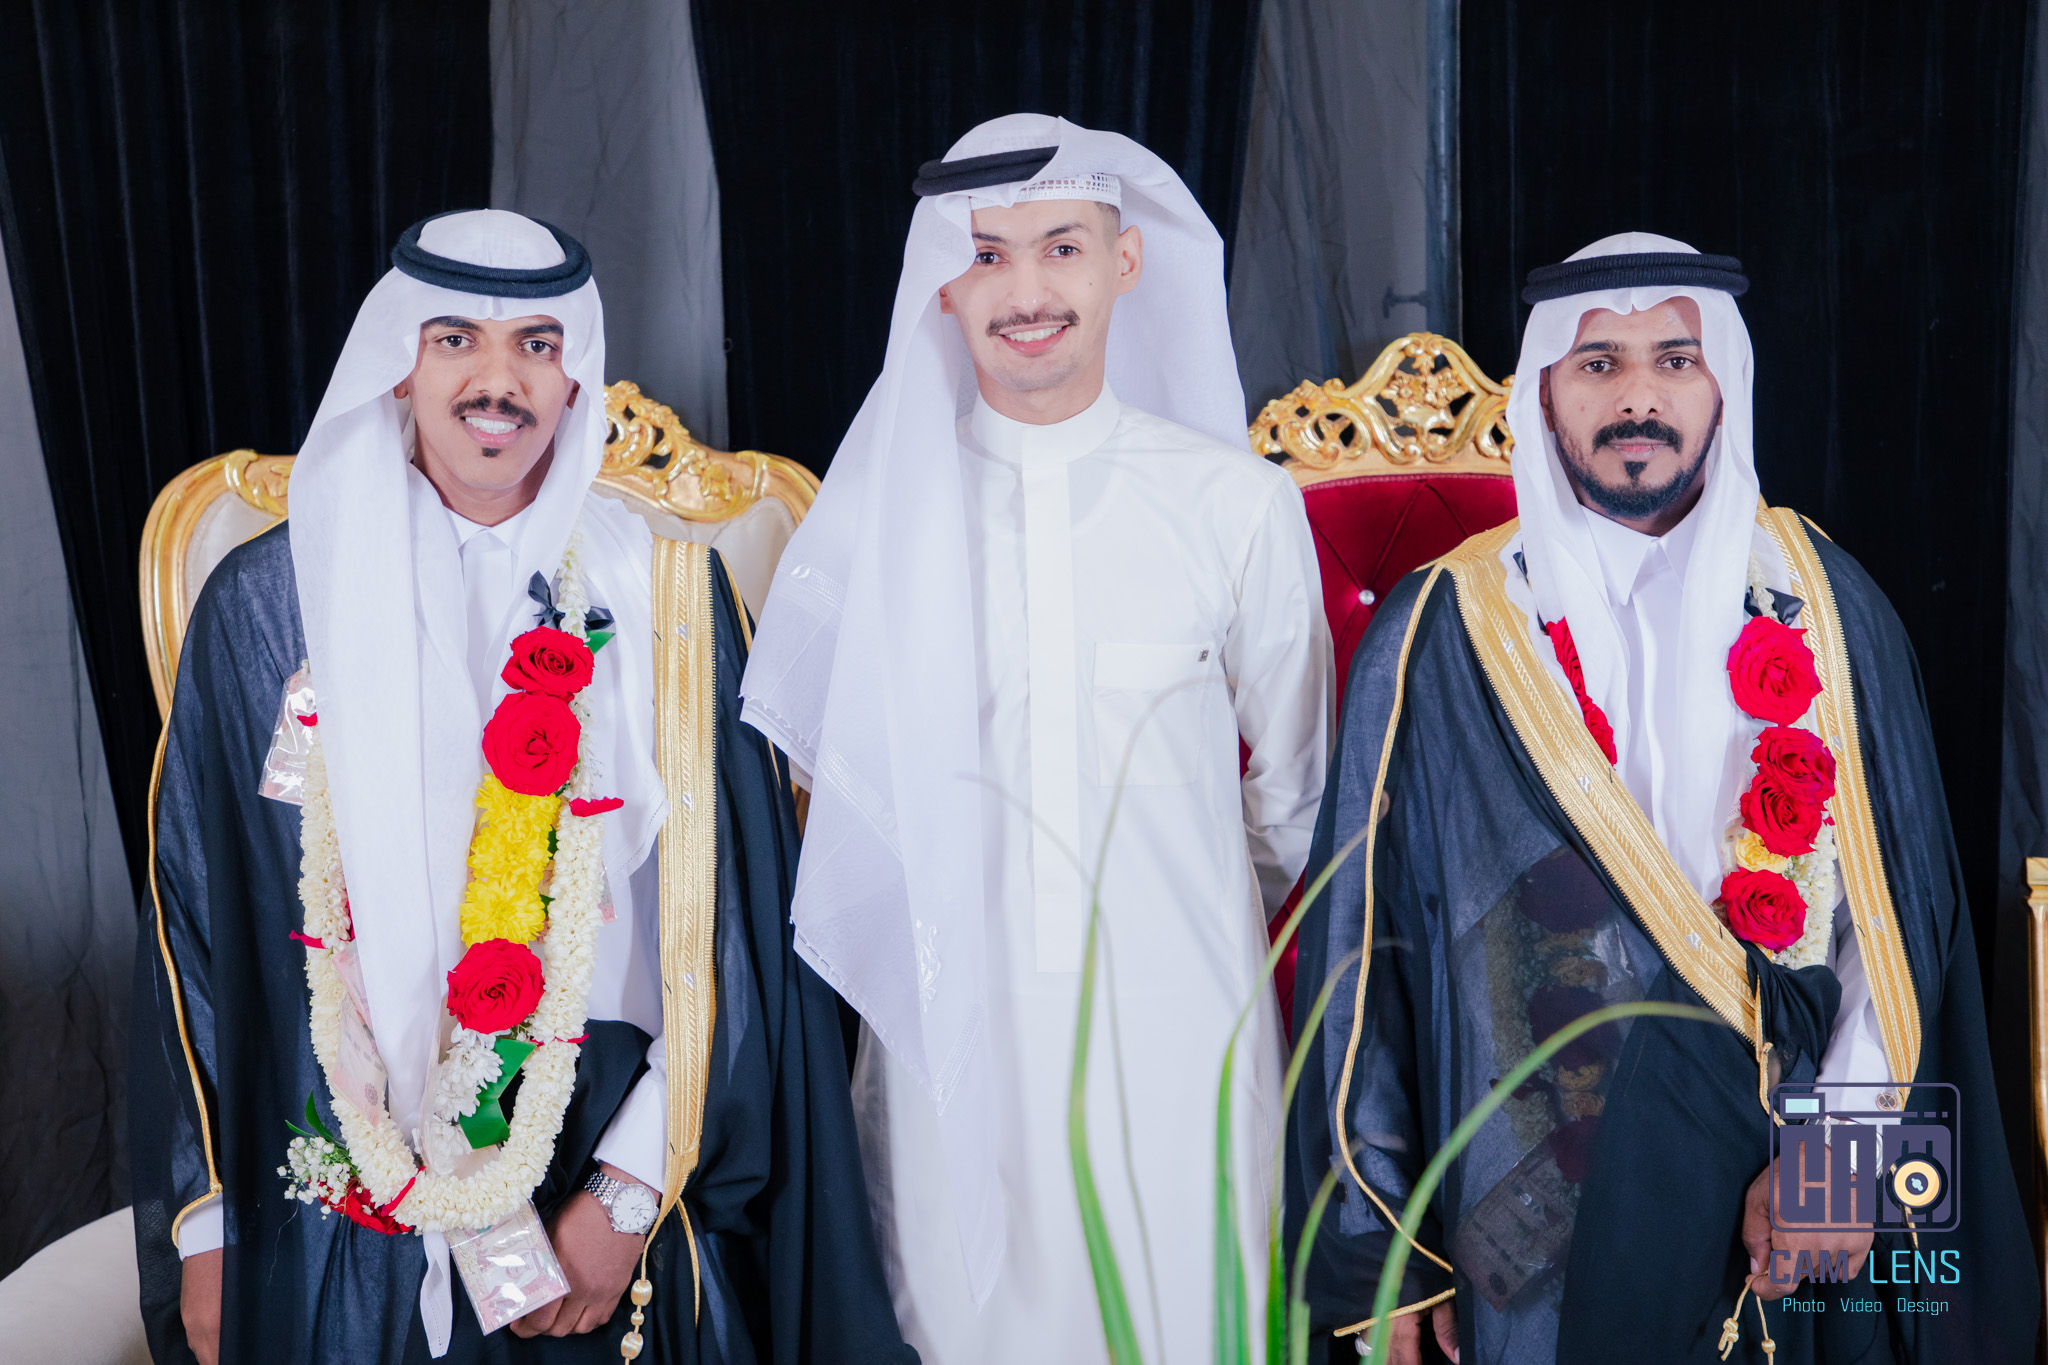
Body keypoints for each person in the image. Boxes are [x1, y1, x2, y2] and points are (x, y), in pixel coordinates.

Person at [130, 209, 912, 1365]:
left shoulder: (669, 602)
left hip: (602, 1153)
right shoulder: (270, 605)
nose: (497, 380)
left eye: (536, 345)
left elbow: (736, 940)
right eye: (455, 339)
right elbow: (198, 923)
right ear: (401, 361)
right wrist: (207, 1231)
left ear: (573, 375)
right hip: (344, 1155)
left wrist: (627, 1194)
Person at [1285, 232, 2037, 1364]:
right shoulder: (1442, 630)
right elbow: (1364, 956)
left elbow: (1893, 928)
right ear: (1544, 394)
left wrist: (1832, 1171)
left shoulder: (1829, 607)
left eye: (1674, 360)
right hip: (1538, 1200)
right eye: (1599, 364)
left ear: (1721, 383)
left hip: (1790, 1177)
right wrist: (1387, 1252)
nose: (1637, 396)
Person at [740, 115, 1331, 1362]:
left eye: (1060, 247)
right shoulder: (876, 525)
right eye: (986, 255)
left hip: (1186, 1035)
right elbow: (827, 813)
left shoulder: (1234, 504)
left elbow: (1294, 804)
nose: (1024, 292)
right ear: (941, 287)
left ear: (1125, 260)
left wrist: (1179, 917)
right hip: (949, 1040)